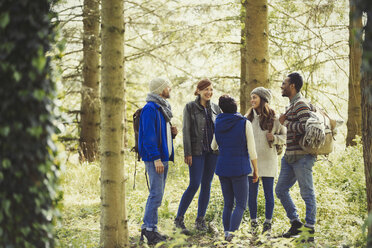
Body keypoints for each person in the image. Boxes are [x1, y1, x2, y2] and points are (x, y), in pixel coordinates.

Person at [174, 79, 221, 233]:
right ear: (199, 91)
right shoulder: (190, 107)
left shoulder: (215, 108)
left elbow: (220, 129)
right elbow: (186, 130)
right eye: (206, 89)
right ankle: (179, 220)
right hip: (196, 152)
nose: (209, 92)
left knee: (206, 184)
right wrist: (187, 152)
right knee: (194, 184)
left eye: (211, 89)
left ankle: (200, 220)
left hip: (212, 152)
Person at [275, 72, 317, 242]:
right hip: (289, 156)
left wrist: (285, 123)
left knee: (307, 193)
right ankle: (295, 223)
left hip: (302, 157)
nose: (282, 86)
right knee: (280, 190)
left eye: (284, 83)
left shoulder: (300, 104)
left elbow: (307, 127)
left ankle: (309, 230)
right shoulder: (291, 105)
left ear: (292, 86)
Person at [211, 95, 258, 241]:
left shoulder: (218, 122)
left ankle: (226, 233)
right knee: (241, 204)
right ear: (235, 107)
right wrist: (256, 170)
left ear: (222, 108)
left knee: (228, 204)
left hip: (223, 168)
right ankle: (232, 235)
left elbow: (213, 146)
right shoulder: (244, 123)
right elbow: (252, 150)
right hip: (240, 169)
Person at [138, 77, 178, 245]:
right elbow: (148, 136)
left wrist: (172, 133)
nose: (169, 89)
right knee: (155, 195)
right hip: (156, 159)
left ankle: (152, 228)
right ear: (160, 90)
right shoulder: (150, 108)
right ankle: (148, 229)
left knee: (158, 195)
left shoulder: (162, 108)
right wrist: (156, 159)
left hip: (163, 157)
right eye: (167, 87)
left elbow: (160, 134)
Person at [245, 87, 287, 234]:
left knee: (269, 193)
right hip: (252, 162)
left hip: (269, 161)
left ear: (263, 99)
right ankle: (253, 222)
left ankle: (268, 224)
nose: (252, 100)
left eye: (255, 97)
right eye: (251, 97)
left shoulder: (275, 119)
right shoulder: (247, 118)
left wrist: (275, 138)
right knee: (252, 194)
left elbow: (285, 137)